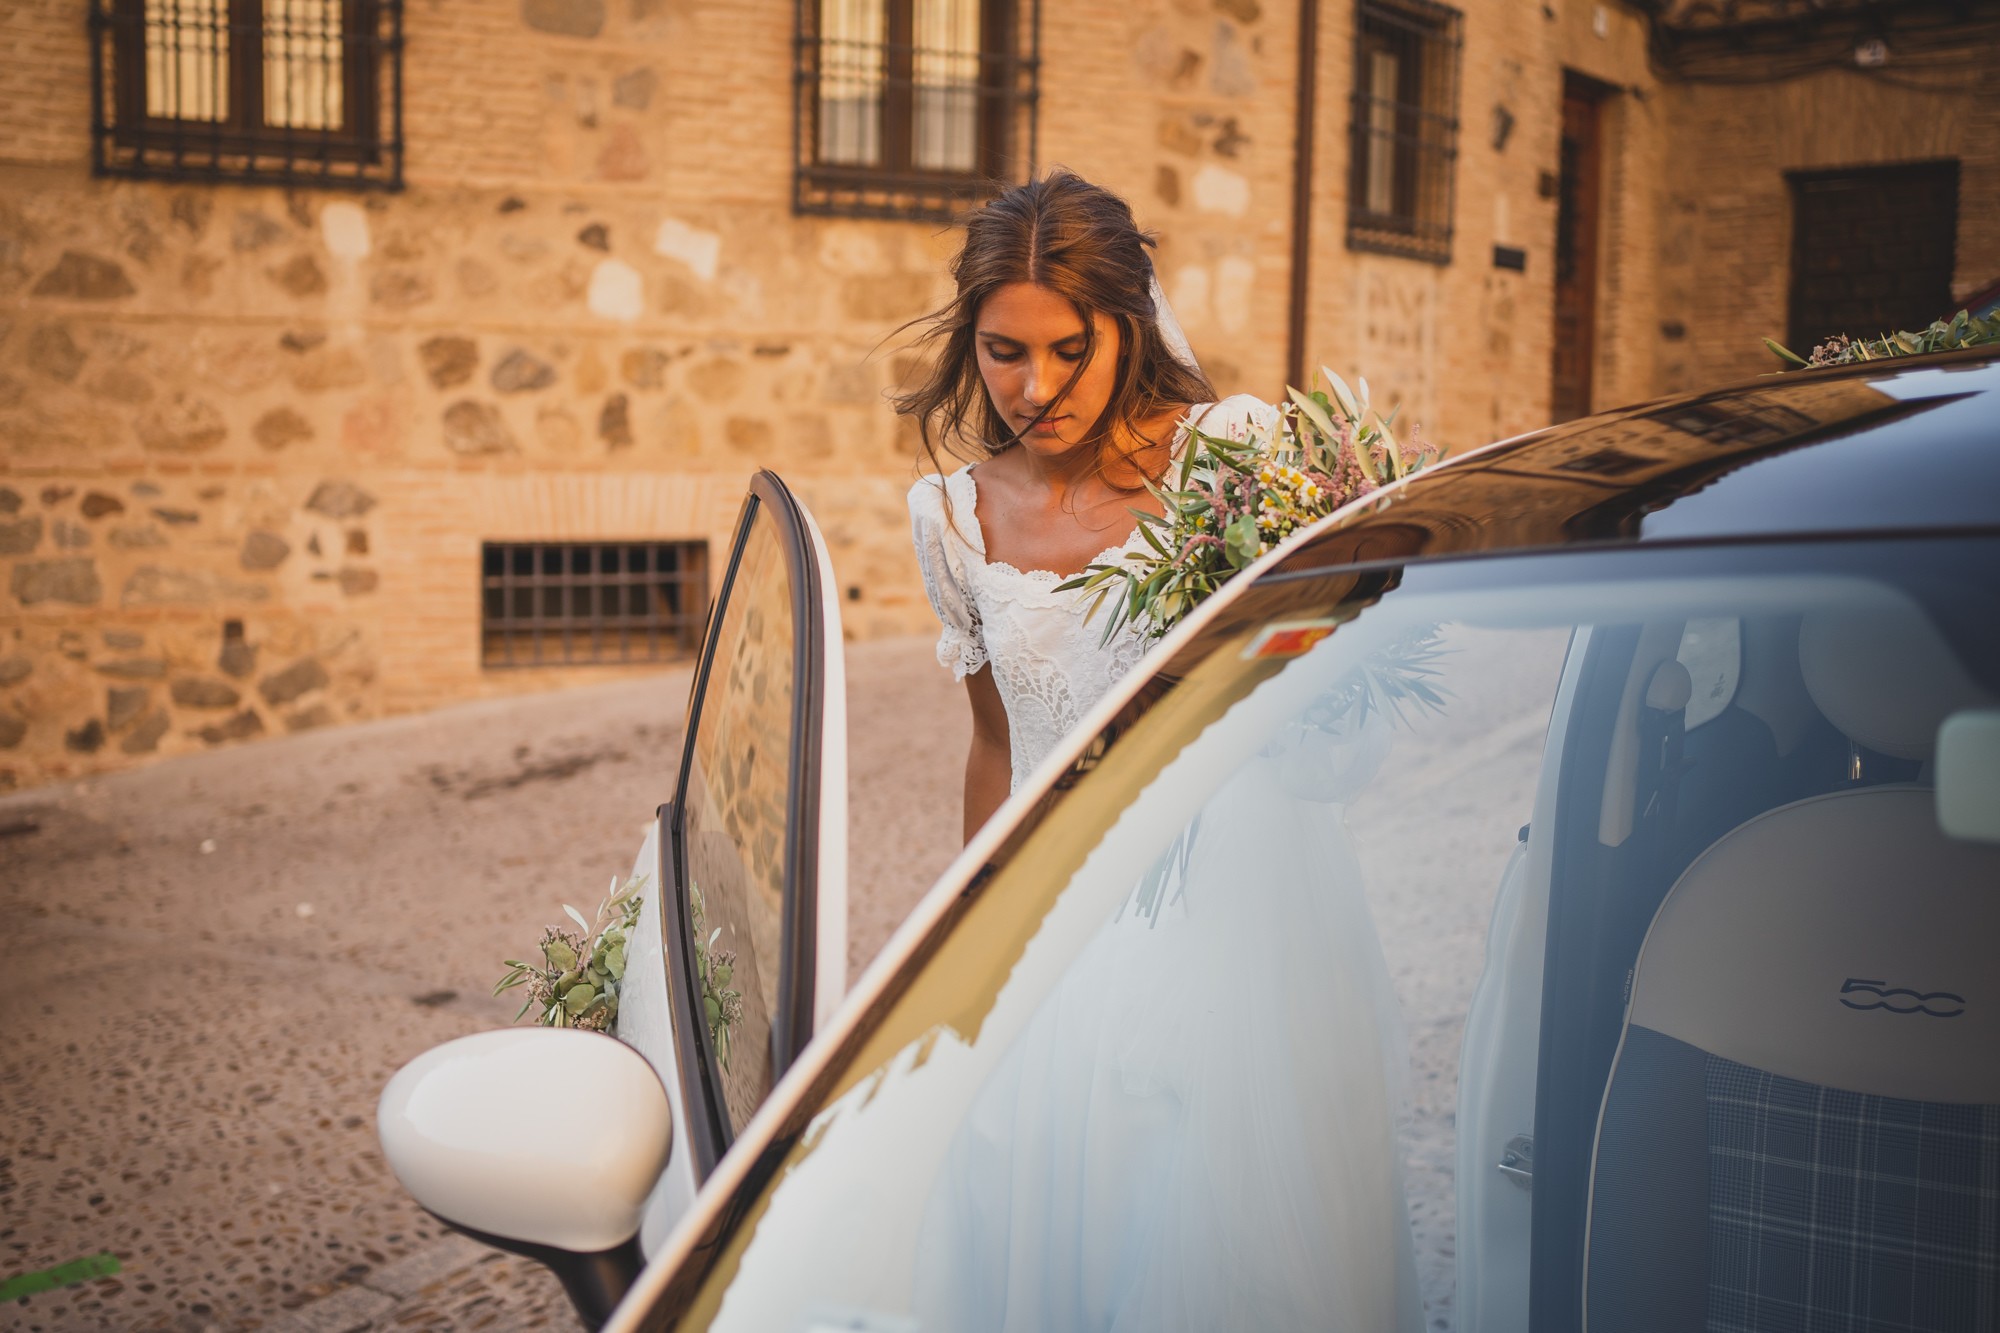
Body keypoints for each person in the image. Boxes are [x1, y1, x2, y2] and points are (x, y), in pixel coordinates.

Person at [901, 169, 1279, 841]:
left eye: (1071, 351)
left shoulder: (1228, 458)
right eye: (1004, 352)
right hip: (1064, 888)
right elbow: (995, 743)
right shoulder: (954, 519)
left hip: (1233, 862)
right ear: (973, 345)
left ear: (1131, 333)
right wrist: (981, 919)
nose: (1037, 389)